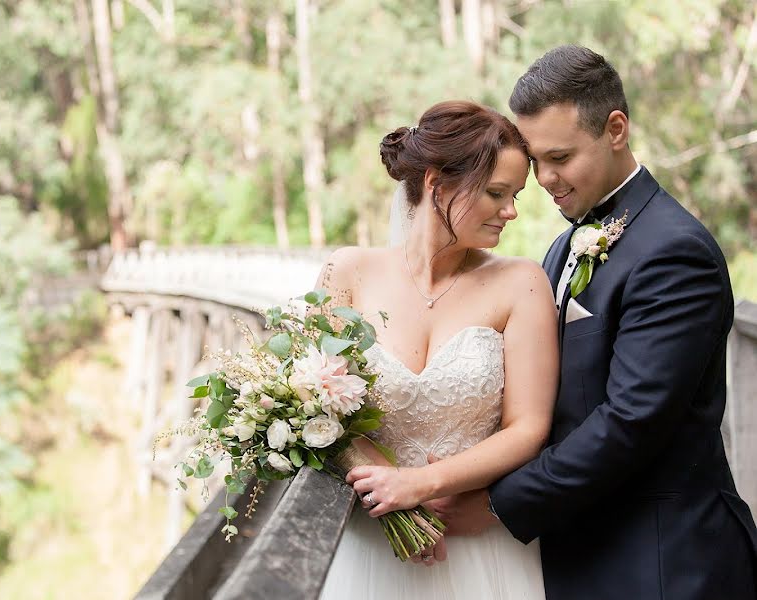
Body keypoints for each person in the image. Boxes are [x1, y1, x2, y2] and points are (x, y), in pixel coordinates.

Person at [433, 45, 757, 599]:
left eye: (560, 157)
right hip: (581, 553)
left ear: (615, 128)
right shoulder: (563, 246)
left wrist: (492, 504)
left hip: (662, 563)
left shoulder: (675, 252)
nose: (546, 178)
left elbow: (630, 422)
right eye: (536, 160)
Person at [316, 100, 558, 599]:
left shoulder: (522, 283)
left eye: (515, 195)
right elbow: (313, 408)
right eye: (496, 193)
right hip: (371, 538)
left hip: (476, 547)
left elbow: (529, 428)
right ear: (436, 182)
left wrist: (422, 485)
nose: (511, 211)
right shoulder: (348, 271)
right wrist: (386, 485)